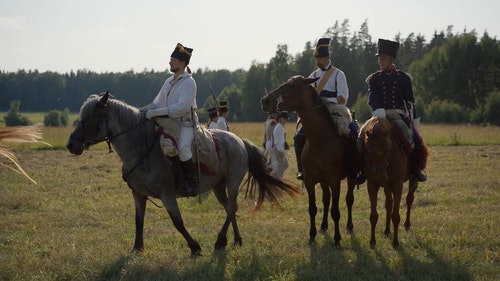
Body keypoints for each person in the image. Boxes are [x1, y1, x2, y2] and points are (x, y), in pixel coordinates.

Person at [294, 37, 364, 183]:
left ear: (327, 58)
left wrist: (325, 99)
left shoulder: (339, 74)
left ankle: (354, 169)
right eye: (316, 58)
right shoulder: (312, 76)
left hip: (335, 110)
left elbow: (343, 98)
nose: (317, 61)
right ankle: (302, 169)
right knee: (298, 137)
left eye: (319, 58)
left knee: (353, 134)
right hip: (316, 113)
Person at [366, 38, 427, 182]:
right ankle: (362, 170)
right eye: (379, 58)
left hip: (399, 116)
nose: (381, 61)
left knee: (415, 140)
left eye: (384, 58)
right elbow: (372, 99)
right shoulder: (374, 79)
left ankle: (415, 169)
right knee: (360, 137)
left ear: (392, 59)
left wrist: (413, 123)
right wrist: (381, 116)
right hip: (379, 116)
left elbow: (410, 102)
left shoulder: (403, 78)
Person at [143, 42, 199, 196]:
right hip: (168, 123)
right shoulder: (168, 81)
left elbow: (183, 107)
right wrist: (141, 111)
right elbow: (156, 103)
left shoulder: (189, 82)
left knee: (182, 148)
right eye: (170, 59)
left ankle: (192, 184)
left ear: (182, 63)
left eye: (173, 60)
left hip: (186, 125)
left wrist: (157, 113)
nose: (170, 62)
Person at [270, 111, 289, 179]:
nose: (285, 121)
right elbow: (278, 141)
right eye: (285, 119)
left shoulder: (280, 127)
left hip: (278, 148)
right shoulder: (279, 128)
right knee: (281, 168)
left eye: (286, 119)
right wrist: (281, 151)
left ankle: (273, 176)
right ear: (280, 119)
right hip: (278, 149)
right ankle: (277, 180)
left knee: (286, 164)